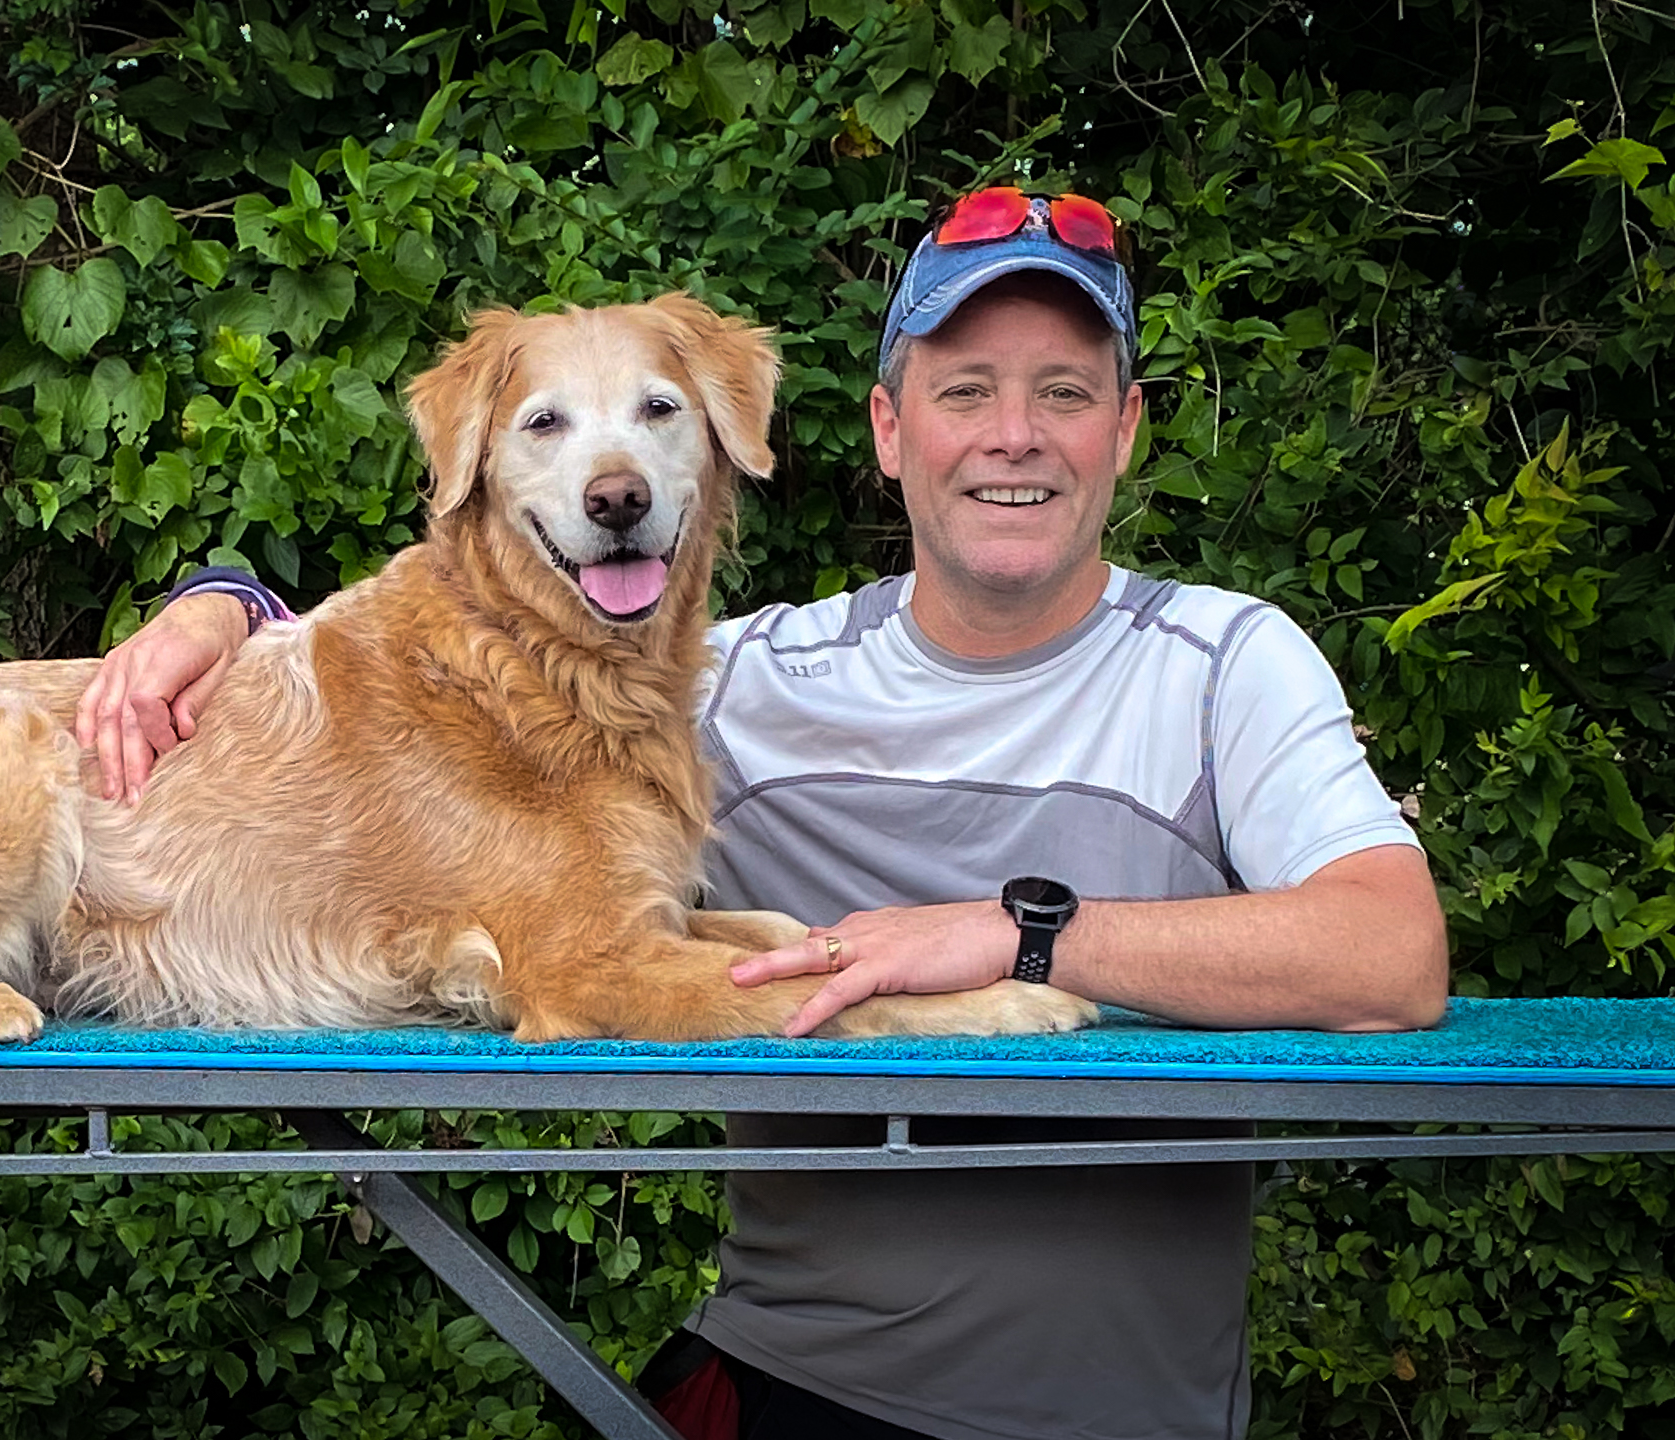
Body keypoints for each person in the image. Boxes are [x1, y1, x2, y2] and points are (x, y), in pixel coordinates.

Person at [74, 188, 1449, 1440]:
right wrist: (224, 610)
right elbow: (429, 705)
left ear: (1128, 427)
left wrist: (1024, 939)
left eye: (1065, 392)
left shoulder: (1227, 660)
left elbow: (1391, 961)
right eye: (965, 390)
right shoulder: (716, 691)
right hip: (796, 1391)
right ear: (888, 429)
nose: (1015, 435)